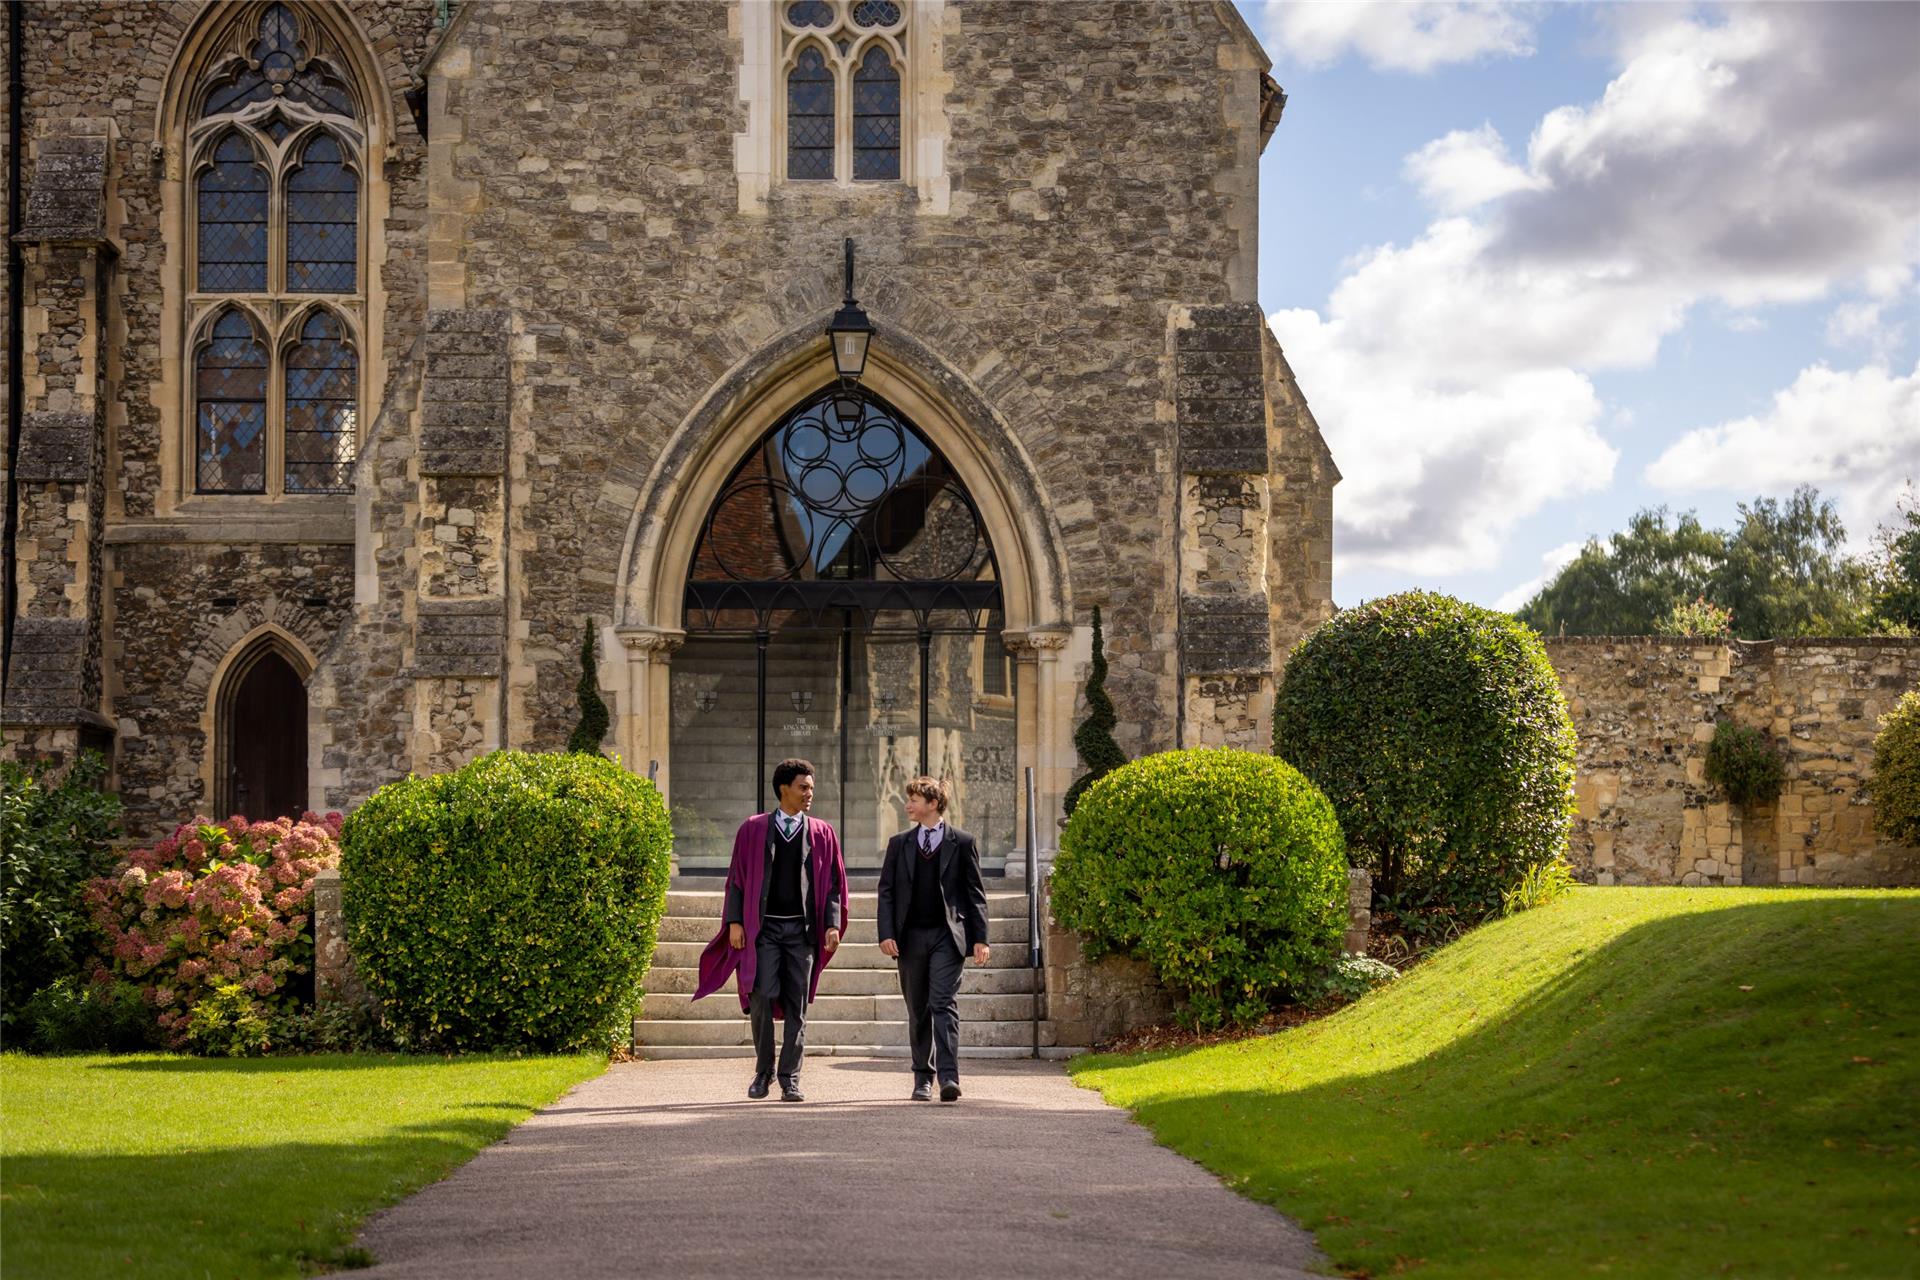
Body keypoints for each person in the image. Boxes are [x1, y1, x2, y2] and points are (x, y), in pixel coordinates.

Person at [693, 758, 848, 1102]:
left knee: (797, 1005)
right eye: (803, 787)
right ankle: (763, 1073)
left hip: (803, 932)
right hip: (764, 931)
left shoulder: (822, 832)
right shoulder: (753, 828)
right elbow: (736, 879)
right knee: (760, 996)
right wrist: (734, 921)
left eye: (811, 787)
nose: (810, 793)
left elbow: (835, 884)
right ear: (784, 789)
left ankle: (790, 1077)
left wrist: (832, 924)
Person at [876, 776, 990, 1102]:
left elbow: (975, 894)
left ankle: (949, 1078)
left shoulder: (963, 842)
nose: (907, 804)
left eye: (913, 799)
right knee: (918, 1008)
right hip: (909, 937)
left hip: (947, 936)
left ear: (933, 804)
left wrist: (980, 938)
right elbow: (886, 893)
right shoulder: (899, 844)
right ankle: (922, 1078)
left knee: (943, 1003)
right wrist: (886, 933)